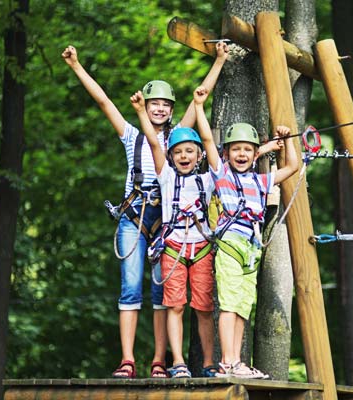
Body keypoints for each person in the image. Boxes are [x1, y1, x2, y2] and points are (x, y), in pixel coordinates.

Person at [61, 41, 228, 378]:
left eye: (166, 104)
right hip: (135, 216)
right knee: (130, 286)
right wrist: (76, 65)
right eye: (155, 104)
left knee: (162, 293)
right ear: (146, 106)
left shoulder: (181, 139)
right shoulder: (133, 136)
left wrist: (221, 60)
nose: (160, 109)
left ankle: (158, 360)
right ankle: (127, 359)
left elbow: (201, 97)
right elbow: (104, 101)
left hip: (168, 221)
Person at [194, 86, 299, 378]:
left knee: (243, 306)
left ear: (255, 154)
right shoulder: (222, 173)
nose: (241, 154)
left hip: (251, 249)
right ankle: (227, 361)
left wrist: (287, 140)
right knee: (228, 303)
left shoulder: (262, 181)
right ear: (226, 153)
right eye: (236, 149)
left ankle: (236, 361)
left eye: (247, 150)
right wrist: (199, 107)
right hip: (229, 244)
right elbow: (205, 138)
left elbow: (292, 166)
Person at [130, 88, 217, 378]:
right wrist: (142, 111)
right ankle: (178, 361)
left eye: (189, 152)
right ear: (171, 157)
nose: (184, 156)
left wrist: (200, 106)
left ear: (199, 155)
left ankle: (207, 363)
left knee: (204, 308)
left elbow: (209, 142)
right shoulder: (165, 177)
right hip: (173, 247)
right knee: (175, 305)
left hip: (202, 247)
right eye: (178, 152)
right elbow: (155, 144)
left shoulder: (209, 179)